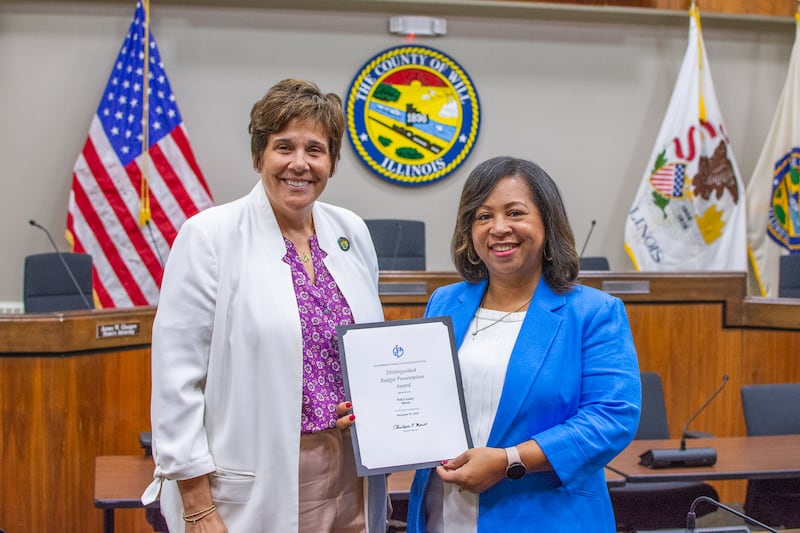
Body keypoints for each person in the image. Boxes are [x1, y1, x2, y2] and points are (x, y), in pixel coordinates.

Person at [142, 79, 387, 532]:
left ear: (332, 162)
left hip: (353, 466)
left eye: (315, 149)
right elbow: (176, 383)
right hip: (258, 477)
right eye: (283, 147)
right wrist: (197, 507)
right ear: (259, 156)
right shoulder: (209, 237)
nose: (300, 163)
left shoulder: (351, 231)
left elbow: (366, 354)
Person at [406, 156, 641, 532]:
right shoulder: (445, 302)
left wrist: (508, 460)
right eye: (483, 216)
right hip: (444, 513)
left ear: (547, 223)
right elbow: (420, 396)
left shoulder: (593, 312)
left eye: (515, 213)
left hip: (546, 516)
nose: (499, 228)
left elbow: (611, 418)